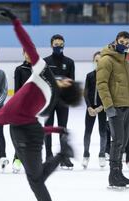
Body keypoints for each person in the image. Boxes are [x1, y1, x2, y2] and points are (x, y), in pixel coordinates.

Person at [0, 8, 81, 201]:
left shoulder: (45, 74)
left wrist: (16, 21)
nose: (66, 79)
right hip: (21, 130)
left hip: (23, 132)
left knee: (35, 180)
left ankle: (61, 155)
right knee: (36, 178)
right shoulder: (50, 103)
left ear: (66, 84)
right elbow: (33, 124)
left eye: (68, 81)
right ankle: (62, 155)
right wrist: (57, 128)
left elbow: (28, 44)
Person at [96, 31, 129, 189]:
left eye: (127, 43)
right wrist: (108, 106)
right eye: (122, 42)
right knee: (118, 141)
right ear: (116, 41)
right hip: (115, 107)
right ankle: (113, 176)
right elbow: (101, 85)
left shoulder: (125, 61)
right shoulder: (106, 59)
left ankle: (119, 173)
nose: (124, 45)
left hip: (126, 106)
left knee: (124, 141)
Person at [44, 33, 75, 169]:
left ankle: (64, 157)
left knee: (62, 129)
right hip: (49, 101)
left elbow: (71, 82)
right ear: (51, 45)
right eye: (56, 44)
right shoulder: (45, 62)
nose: (59, 47)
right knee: (48, 129)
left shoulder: (69, 62)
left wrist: (59, 82)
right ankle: (48, 155)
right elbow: (42, 81)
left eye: (61, 45)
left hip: (63, 101)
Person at [82, 51, 107, 169]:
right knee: (88, 132)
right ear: (93, 61)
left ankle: (102, 154)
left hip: (102, 108)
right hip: (91, 109)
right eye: (96, 61)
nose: (98, 63)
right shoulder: (90, 76)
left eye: (101, 61)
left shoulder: (108, 76)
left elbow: (109, 94)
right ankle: (86, 154)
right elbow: (85, 93)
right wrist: (89, 107)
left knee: (103, 131)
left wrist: (101, 107)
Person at [12, 51, 33, 173]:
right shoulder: (19, 69)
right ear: (24, 54)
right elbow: (17, 90)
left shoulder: (40, 69)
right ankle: (17, 158)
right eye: (27, 52)